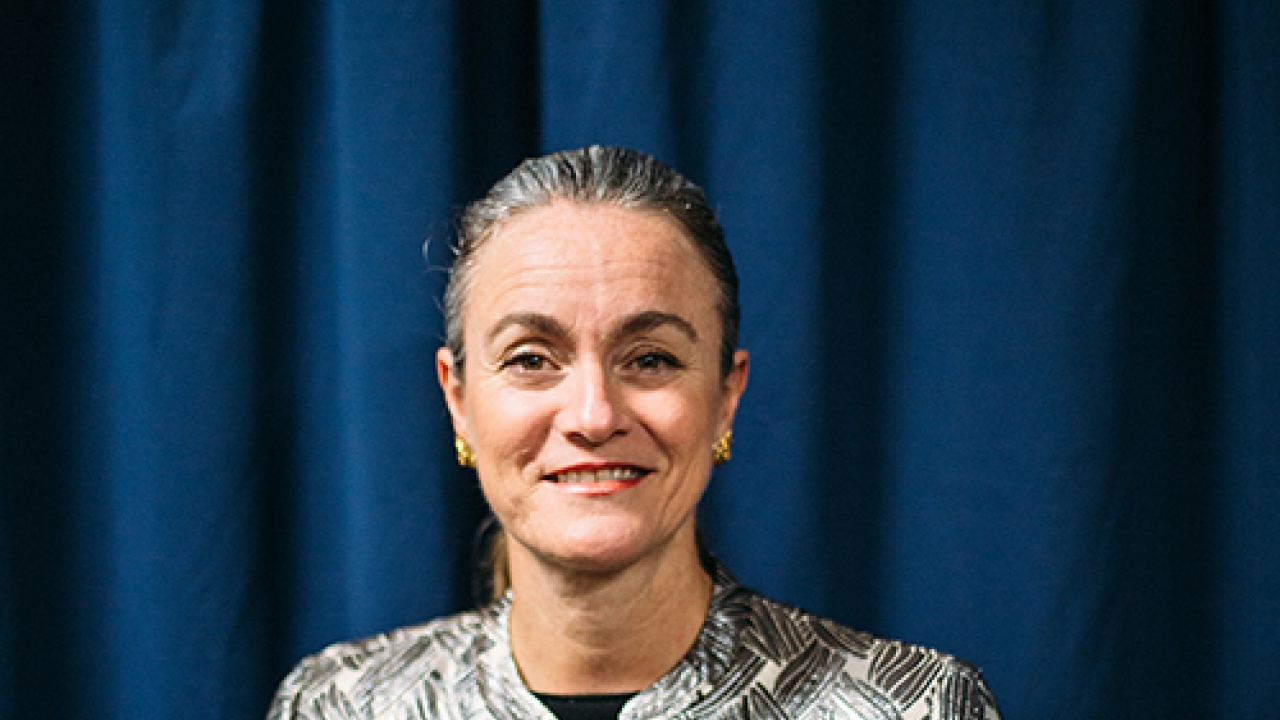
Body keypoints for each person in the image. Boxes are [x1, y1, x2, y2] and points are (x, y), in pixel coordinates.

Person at [267, 146, 1002, 720]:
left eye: (650, 359)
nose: (592, 415)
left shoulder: (919, 705)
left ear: (724, 396)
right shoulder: (337, 703)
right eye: (531, 359)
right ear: (459, 401)